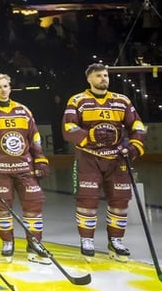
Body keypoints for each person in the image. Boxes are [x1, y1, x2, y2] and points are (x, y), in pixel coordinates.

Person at [62, 63, 147, 260]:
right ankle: (87, 240)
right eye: (99, 76)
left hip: (117, 159)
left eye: (106, 76)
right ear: (89, 79)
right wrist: (90, 135)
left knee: (120, 201)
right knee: (87, 201)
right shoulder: (78, 100)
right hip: (88, 158)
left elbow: (138, 126)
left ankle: (116, 241)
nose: (104, 79)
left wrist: (134, 147)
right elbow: (68, 128)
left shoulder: (122, 101)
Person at [0, 74, 52, 264]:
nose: (3, 90)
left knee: (34, 207)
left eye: (6, 86)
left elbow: (35, 138)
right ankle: (7, 242)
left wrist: (40, 160)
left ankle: (35, 244)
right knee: (2, 209)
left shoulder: (23, 111)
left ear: (10, 87)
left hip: (25, 169)